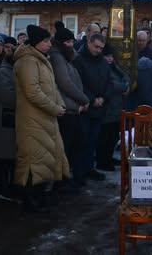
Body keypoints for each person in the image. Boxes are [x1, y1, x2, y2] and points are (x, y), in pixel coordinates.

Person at [13, 24, 69, 212]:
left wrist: (60, 103)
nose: (49, 44)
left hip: (45, 117)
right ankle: (29, 199)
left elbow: (52, 87)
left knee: (43, 158)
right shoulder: (28, 61)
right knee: (32, 159)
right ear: (37, 42)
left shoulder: (42, 59)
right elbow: (33, 91)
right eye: (45, 41)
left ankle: (40, 194)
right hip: (32, 119)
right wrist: (54, 108)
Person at [50, 21, 89, 189]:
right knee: (65, 147)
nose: (71, 45)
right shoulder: (57, 57)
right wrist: (84, 99)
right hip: (66, 109)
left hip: (74, 108)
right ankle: (61, 181)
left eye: (72, 41)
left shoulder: (67, 56)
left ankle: (66, 177)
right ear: (59, 43)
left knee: (75, 144)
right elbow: (64, 83)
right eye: (67, 42)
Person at [73, 33, 111, 182]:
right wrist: (91, 98)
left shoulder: (102, 60)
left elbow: (109, 81)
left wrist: (104, 98)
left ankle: (89, 168)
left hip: (100, 107)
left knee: (92, 141)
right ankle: (79, 172)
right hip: (85, 107)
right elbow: (78, 83)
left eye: (101, 48)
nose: (98, 50)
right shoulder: (79, 59)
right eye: (95, 46)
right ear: (88, 42)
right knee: (81, 142)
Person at [0, 33, 18, 196]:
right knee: (3, 156)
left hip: (10, 119)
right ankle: (3, 186)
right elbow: (7, 96)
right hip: (3, 119)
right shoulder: (4, 72)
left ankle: (10, 185)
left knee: (11, 156)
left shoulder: (11, 70)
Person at [99, 44, 129, 171]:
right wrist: (124, 87)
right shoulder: (102, 67)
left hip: (117, 107)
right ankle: (102, 161)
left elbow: (126, 78)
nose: (110, 59)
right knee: (105, 137)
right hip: (108, 108)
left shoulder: (114, 67)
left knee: (113, 136)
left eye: (111, 56)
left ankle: (109, 157)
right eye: (107, 56)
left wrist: (125, 85)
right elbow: (111, 84)